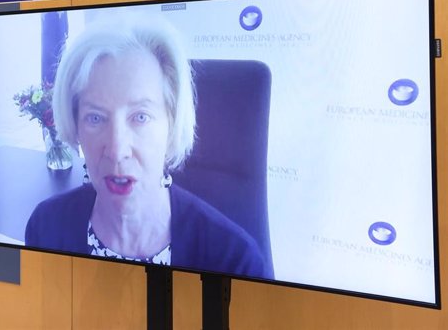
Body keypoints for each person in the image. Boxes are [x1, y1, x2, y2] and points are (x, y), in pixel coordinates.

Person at [25, 19, 270, 278]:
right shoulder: (45, 228)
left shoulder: (236, 261)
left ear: (171, 123)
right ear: (75, 126)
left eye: (140, 117)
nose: (118, 150)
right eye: (95, 118)